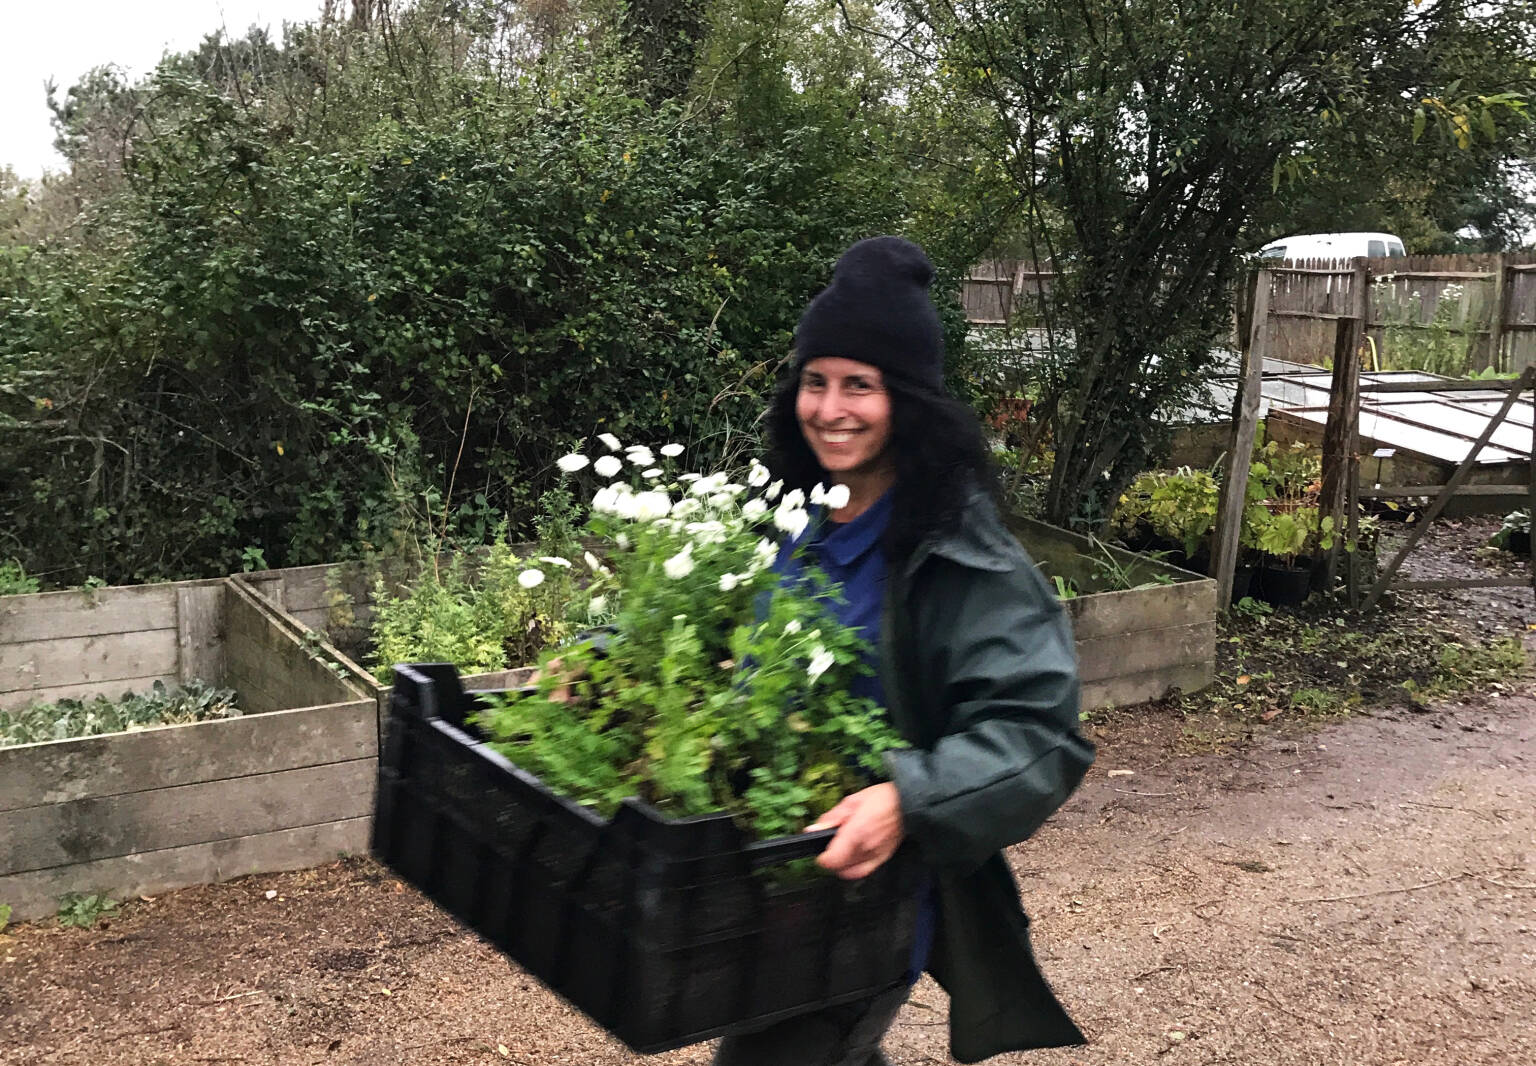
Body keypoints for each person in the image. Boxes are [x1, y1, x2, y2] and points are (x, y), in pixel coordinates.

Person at [713, 236, 1095, 1066]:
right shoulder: (792, 517)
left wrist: (906, 797)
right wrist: (602, 661)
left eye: (861, 385)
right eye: (816, 382)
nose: (831, 408)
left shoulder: (958, 552)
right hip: (771, 876)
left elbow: (1040, 732)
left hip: (868, 902)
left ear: (908, 402)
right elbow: (708, 617)